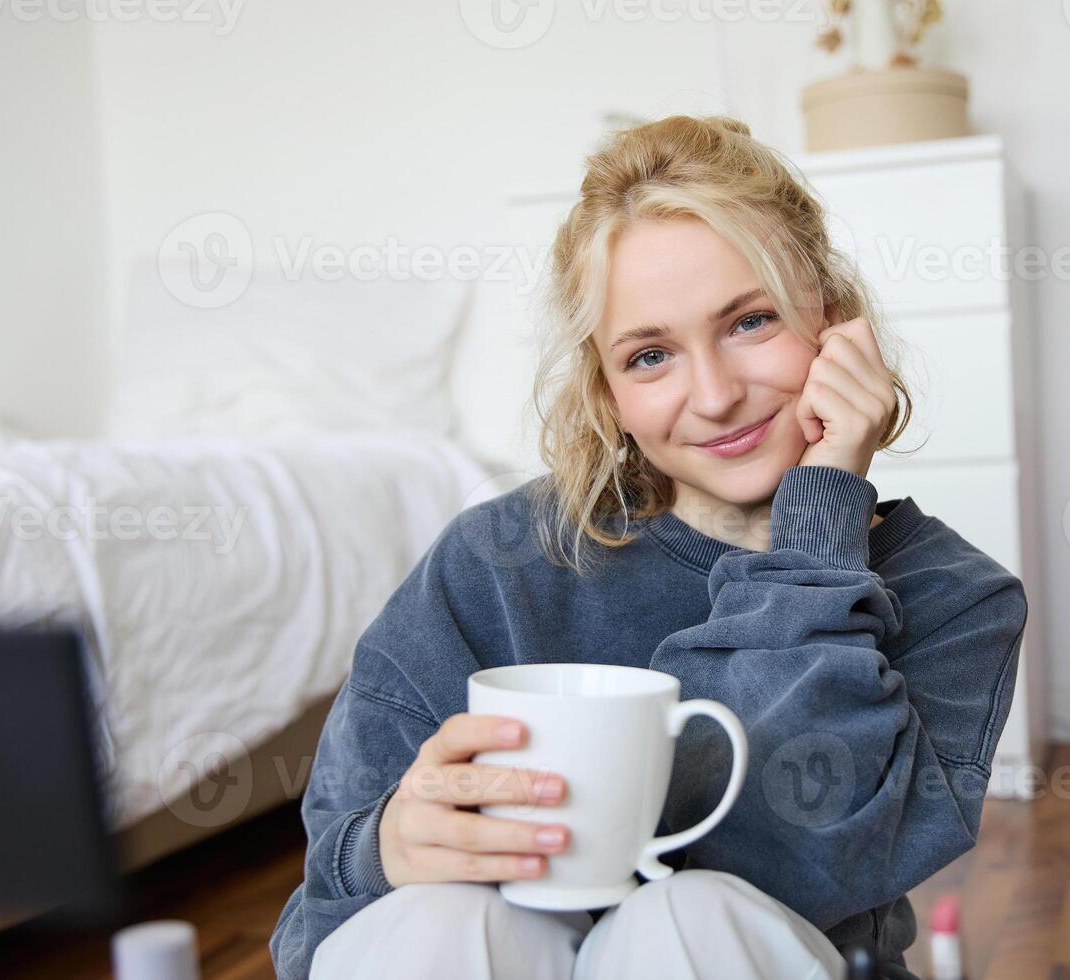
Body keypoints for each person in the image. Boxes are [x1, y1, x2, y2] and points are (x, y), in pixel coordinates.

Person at [269, 114, 1027, 980]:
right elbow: (317, 926)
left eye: (750, 322)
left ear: (837, 320)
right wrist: (381, 851)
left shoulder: (956, 597)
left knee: (687, 915)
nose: (714, 396)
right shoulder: (496, 563)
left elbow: (804, 857)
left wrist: (822, 514)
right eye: (651, 355)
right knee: (439, 918)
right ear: (606, 390)